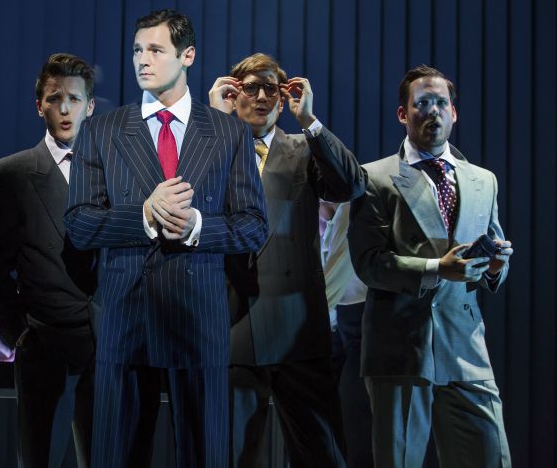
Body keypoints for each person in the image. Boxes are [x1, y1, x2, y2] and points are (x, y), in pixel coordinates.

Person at [64, 9, 268, 467]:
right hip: (125, 320)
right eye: (138, 49)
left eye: (155, 49)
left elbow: (255, 224)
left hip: (199, 322)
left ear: (187, 55)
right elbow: (78, 223)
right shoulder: (102, 130)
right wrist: (144, 215)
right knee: (116, 455)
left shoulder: (229, 132)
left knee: (206, 455)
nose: (143, 59)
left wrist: (197, 226)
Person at [348, 65, 513, 467]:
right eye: (422, 103)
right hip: (400, 347)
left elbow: (493, 259)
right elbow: (369, 264)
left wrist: (494, 268)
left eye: (441, 103)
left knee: (490, 457)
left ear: (454, 113)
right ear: (404, 114)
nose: (433, 111)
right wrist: (437, 267)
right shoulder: (374, 177)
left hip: (465, 347)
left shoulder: (482, 180)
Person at [209, 53, 363, 467]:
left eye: (270, 90)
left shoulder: (302, 147)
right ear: (231, 93)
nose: (260, 97)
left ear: (284, 98)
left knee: (322, 455)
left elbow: (349, 185)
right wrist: (212, 123)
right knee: (229, 455)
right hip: (231, 327)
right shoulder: (212, 145)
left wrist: (310, 121)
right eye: (250, 88)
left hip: (298, 328)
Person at [0, 53, 97, 468]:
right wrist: (18, 336)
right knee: (39, 457)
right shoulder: (9, 174)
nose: (65, 108)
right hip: (44, 341)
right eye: (55, 98)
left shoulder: (111, 173)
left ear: (90, 106)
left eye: (74, 99)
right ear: (39, 106)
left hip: (105, 342)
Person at [319, 201, 372, 468]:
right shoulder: (303, 217)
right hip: (330, 335)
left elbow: (336, 271)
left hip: (355, 327)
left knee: (355, 435)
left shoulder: (353, 208)